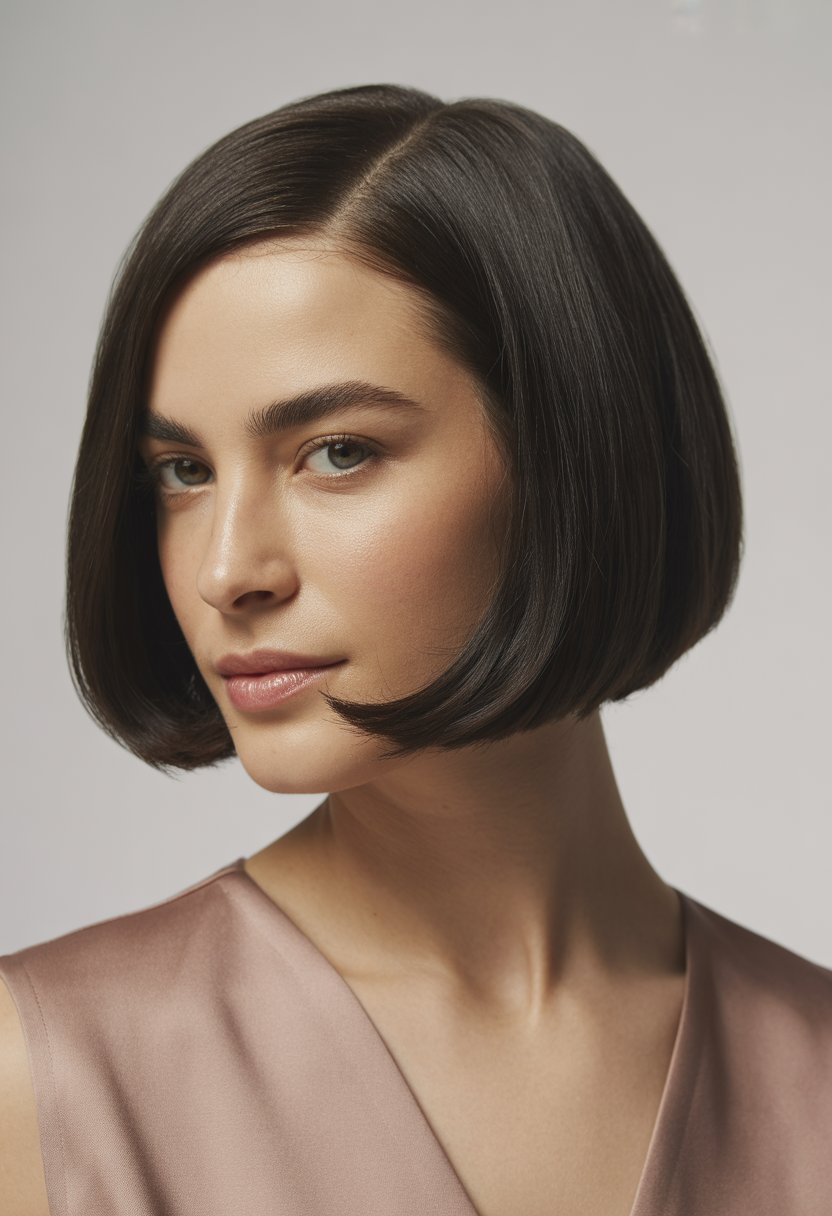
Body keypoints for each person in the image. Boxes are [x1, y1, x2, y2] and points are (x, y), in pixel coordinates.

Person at [0, 82, 829, 1216]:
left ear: (572, 458)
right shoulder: (45, 1076)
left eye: (336, 451)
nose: (226, 569)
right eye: (183, 473)